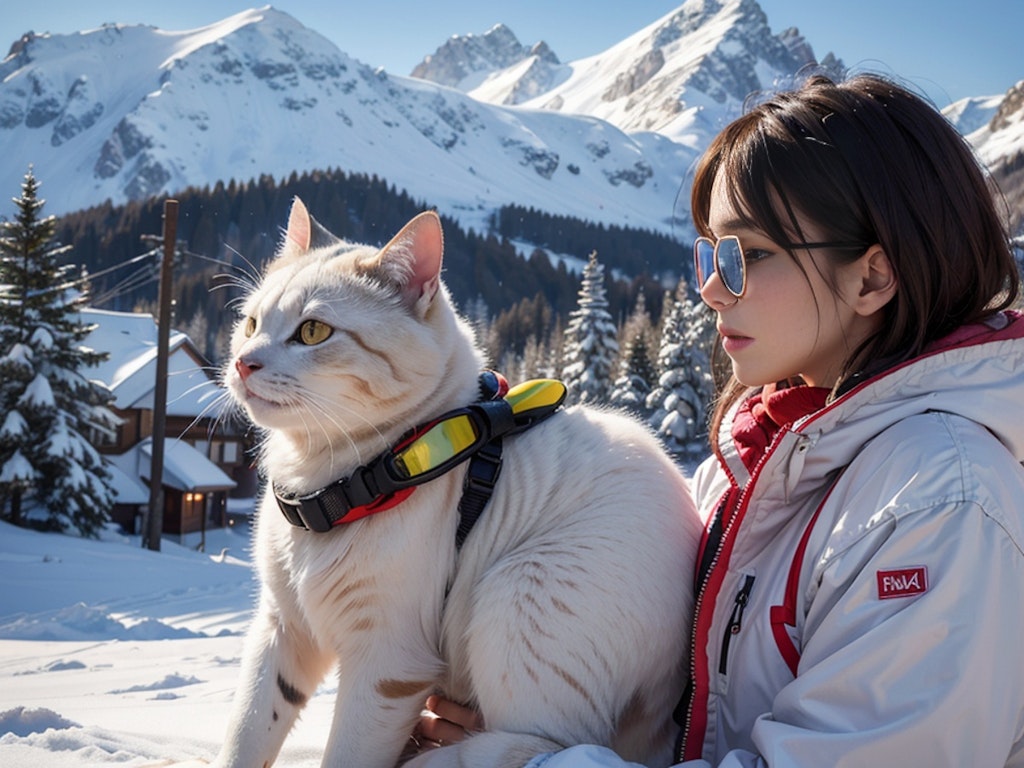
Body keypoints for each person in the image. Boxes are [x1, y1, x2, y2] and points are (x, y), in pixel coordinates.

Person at [416, 72, 1024, 766]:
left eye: (745, 255)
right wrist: (523, 726)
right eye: (708, 252)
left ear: (871, 278)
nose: (709, 286)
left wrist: (528, 764)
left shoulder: (940, 501)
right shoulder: (741, 473)